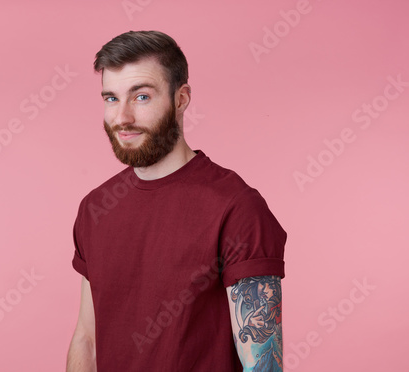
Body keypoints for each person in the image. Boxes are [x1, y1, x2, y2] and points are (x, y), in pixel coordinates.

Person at [66, 30, 286, 372]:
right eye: (111, 98)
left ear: (181, 99)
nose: (122, 117)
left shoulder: (237, 208)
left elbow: (262, 365)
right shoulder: (95, 208)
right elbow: (87, 340)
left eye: (141, 97)